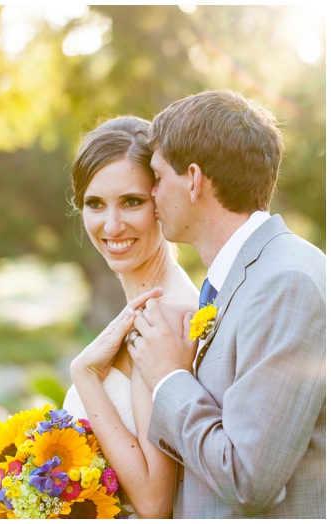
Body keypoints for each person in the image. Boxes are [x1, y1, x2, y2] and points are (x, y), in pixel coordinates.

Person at [128, 90, 325, 518]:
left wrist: (168, 379)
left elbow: (245, 477)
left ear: (194, 180)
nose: (152, 194)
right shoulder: (241, 277)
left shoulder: (286, 282)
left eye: (158, 177)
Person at [63, 116, 198, 518]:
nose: (112, 225)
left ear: (162, 201)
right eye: (95, 204)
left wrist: (84, 375)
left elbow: (155, 503)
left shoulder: (162, 317)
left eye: (132, 202)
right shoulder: (145, 306)